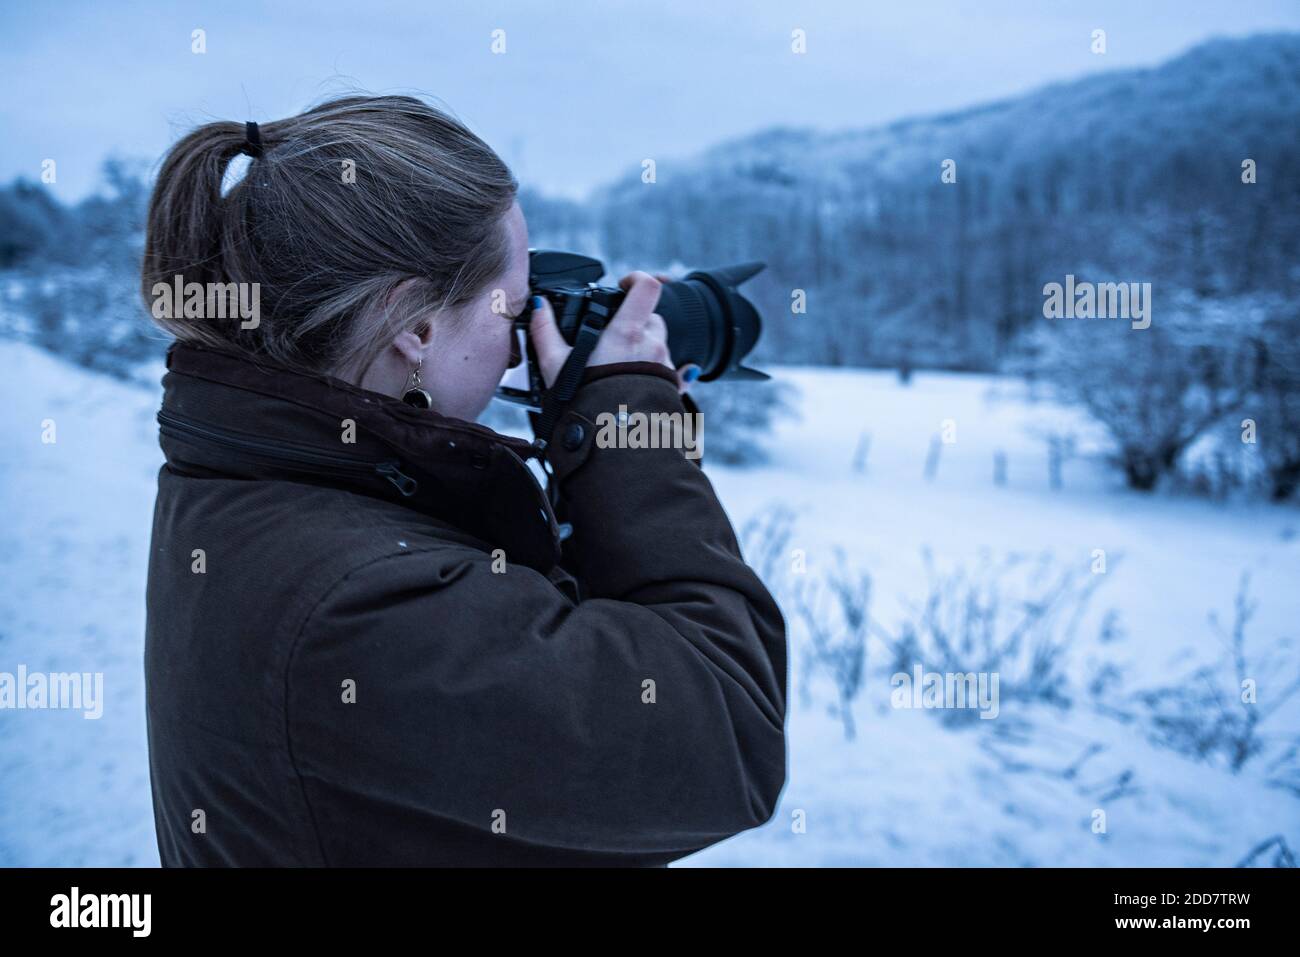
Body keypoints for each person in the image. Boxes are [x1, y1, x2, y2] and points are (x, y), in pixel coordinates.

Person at [141, 94, 788, 866]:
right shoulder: (361, 602)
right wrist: (628, 432)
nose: (520, 350)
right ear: (413, 326)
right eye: (511, 310)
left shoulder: (249, 477)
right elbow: (726, 734)